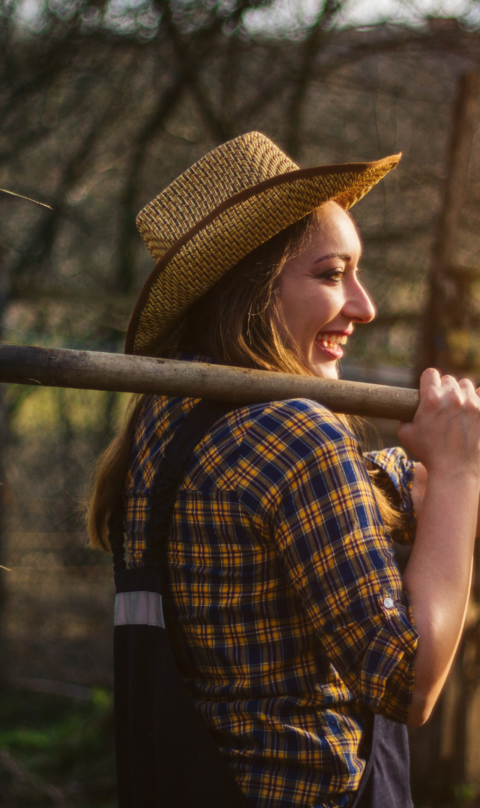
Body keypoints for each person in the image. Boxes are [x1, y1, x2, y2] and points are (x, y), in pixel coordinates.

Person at [88, 132, 480, 808]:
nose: (364, 306)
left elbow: (286, 507)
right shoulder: (294, 432)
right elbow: (407, 682)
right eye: (331, 275)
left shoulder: (167, 420)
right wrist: (457, 477)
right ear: (252, 288)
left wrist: (406, 475)